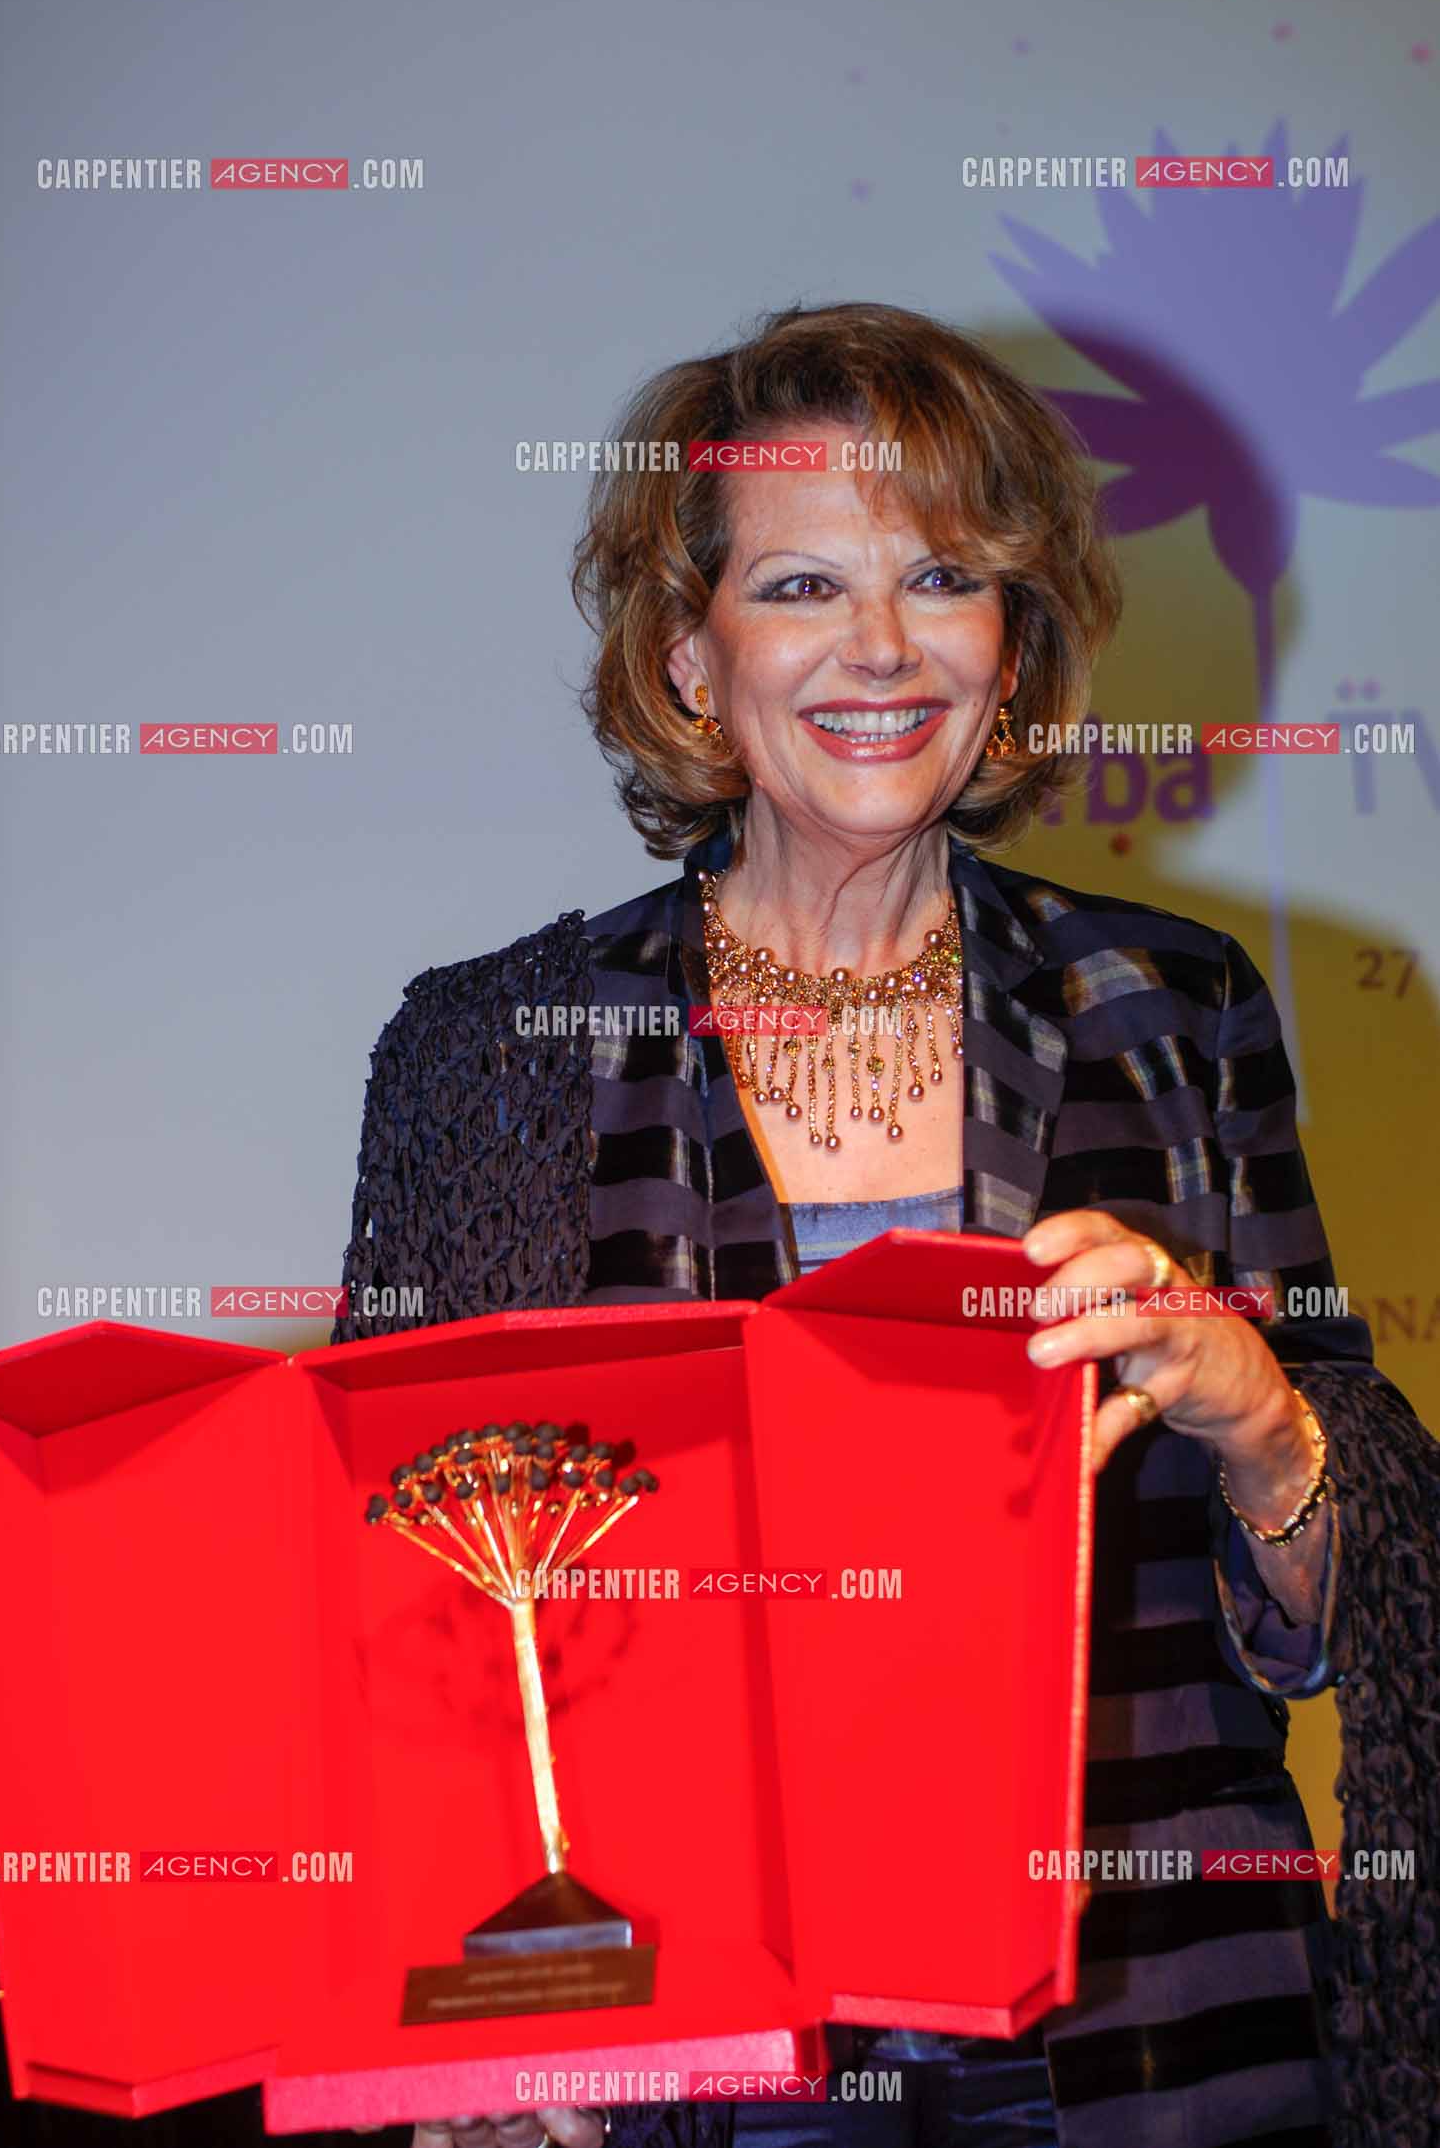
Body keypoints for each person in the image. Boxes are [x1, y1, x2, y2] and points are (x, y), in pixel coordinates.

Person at [335, 303, 1439, 2148]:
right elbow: (393, 1618)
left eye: (942, 575)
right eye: (798, 585)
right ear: (691, 657)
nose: (879, 647)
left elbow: (1352, 1616)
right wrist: (466, 2032)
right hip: (696, 2063)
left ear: (1012, 647)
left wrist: (1261, 1414)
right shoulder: (491, 1054)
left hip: (1166, 2040)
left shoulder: (1177, 1006)